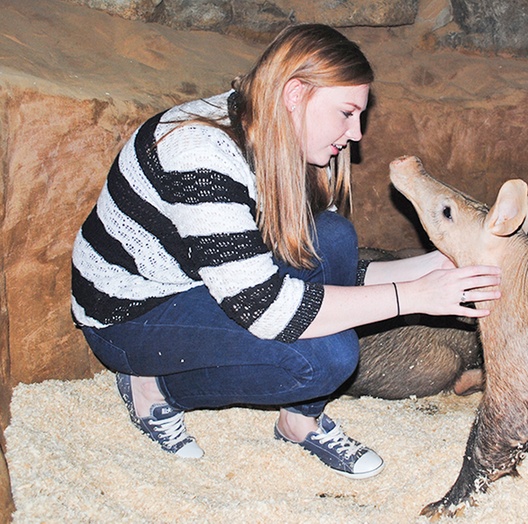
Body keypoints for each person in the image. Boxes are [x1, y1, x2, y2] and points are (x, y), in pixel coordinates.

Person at [70, 24, 500, 479]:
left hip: (206, 282)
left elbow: (330, 268)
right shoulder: (199, 153)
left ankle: (300, 421)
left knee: (332, 235)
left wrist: (433, 266)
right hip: (131, 315)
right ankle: (155, 386)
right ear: (296, 94)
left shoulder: (284, 138)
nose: (355, 134)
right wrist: (413, 296)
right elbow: (266, 308)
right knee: (327, 359)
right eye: (347, 113)